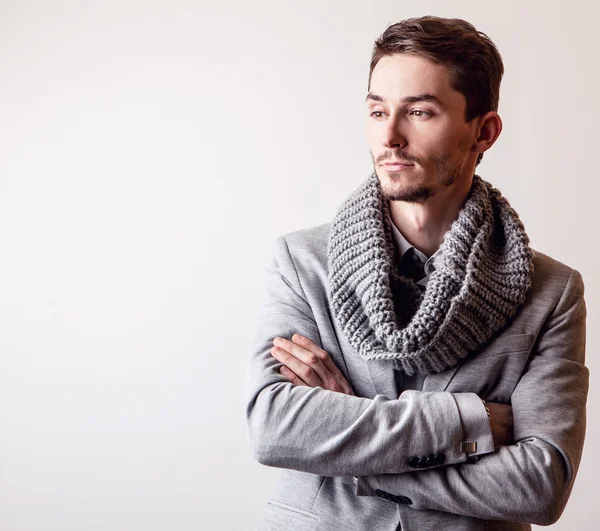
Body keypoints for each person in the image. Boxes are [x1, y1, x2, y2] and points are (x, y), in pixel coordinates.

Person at [244, 15, 588, 530]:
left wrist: (352, 452)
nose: (390, 136)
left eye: (420, 112)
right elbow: (274, 427)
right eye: (377, 110)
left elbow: (540, 487)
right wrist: (464, 421)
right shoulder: (303, 261)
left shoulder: (551, 292)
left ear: (484, 131)